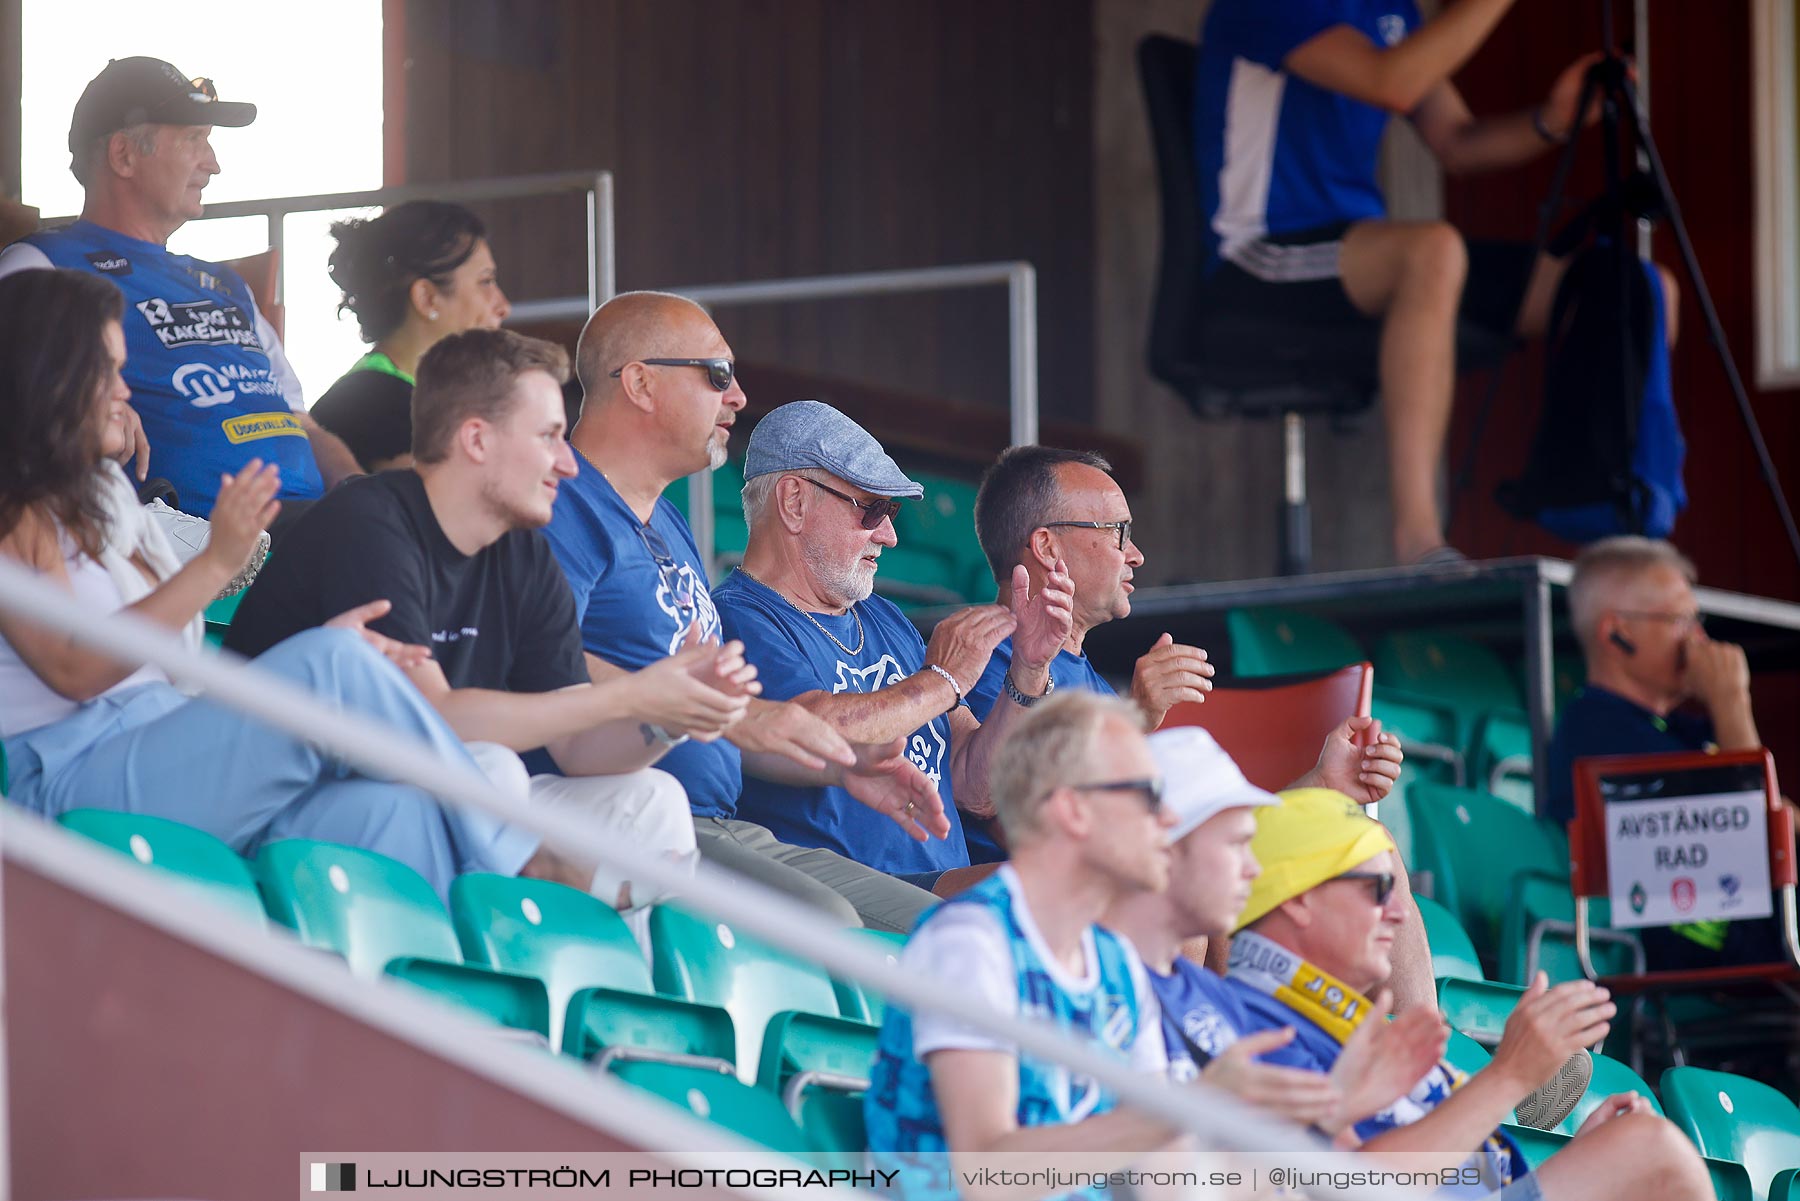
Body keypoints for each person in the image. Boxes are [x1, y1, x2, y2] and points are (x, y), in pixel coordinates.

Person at [0, 267, 644, 908]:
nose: (123, 389)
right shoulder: (9, 513)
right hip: (73, 785)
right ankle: (531, 860)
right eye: (106, 370)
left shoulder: (107, 499)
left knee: (405, 814)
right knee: (337, 663)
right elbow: (75, 667)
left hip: (172, 751)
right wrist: (216, 564)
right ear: (47, 377)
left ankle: (462, 997)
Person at [224, 328, 756, 927]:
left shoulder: (523, 554)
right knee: (493, 770)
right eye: (549, 437)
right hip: (290, 804)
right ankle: (507, 938)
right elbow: (435, 722)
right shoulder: (373, 520)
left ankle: (587, 1005)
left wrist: (667, 716)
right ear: (476, 439)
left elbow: (578, 747)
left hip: (424, 796)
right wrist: (635, 691)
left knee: (651, 799)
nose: (566, 461)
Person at [1191, 0, 1678, 565]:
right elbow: (1392, 82)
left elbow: (1457, 142)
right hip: (1257, 253)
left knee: (1638, 287)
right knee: (1432, 251)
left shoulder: (1391, 10)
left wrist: (1552, 118)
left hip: (1361, 251)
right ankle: (1419, 544)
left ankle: (1614, 525)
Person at [969, 444, 1437, 1015]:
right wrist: (1137, 718)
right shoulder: (986, 657)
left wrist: (1320, 785)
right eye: (1118, 532)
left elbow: (1197, 824)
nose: (1135, 555)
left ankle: (1427, 1055)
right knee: (1182, 878)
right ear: (1047, 546)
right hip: (1064, 907)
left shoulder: (1084, 675)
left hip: (1148, 884)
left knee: (1366, 844)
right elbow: (1022, 824)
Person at [543, 290, 948, 934]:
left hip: (722, 822)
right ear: (641, 383)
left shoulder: (669, 522)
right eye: (718, 375)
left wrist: (840, 767)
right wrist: (745, 713)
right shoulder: (561, 506)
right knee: (834, 926)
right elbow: (540, 660)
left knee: (943, 928)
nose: (737, 397)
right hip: (623, 815)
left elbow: (730, 727)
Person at [1223, 787, 1712, 1199]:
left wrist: (1575, 1157)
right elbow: (1353, 1184)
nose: (1398, 913)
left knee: (1641, 1156)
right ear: (1301, 901)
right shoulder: (1255, 1032)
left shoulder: (1339, 1024)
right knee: (1655, 1152)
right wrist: (1509, 1076)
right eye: (1376, 890)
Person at [715, 401, 1074, 891]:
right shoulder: (737, 617)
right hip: (848, 906)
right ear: (794, 502)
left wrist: (1029, 670)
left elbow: (975, 788)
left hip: (933, 887)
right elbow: (809, 730)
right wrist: (940, 681)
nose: (889, 534)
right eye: (872, 509)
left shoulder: (884, 617)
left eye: (892, 511)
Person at [0, 57, 357, 523]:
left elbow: (301, 421)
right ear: (124, 155)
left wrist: (359, 491)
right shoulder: (43, 266)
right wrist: (86, 412)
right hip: (197, 544)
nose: (214, 165)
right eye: (195, 140)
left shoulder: (229, 285)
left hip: (315, 528)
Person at [864, 691, 1177, 1201]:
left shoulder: (1117, 961)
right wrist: (1179, 1113)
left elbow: (1168, 1182)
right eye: (1150, 795)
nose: (1169, 819)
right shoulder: (968, 942)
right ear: (1073, 809)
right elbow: (988, 1178)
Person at [1105, 727, 1446, 1135]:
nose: (1251, 867)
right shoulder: (1091, 977)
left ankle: (1433, 1063)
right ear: (1164, 850)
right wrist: (1506, 1080)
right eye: (1235, 845)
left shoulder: (1211, 996)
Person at [1548, 535, 1784, 969]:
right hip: (1697, 960)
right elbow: (1759, 836)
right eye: (1680, 620)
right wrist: (1732, 703)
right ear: (1617, 632)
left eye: (1698, 619)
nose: (1699, 638)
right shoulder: (1599, 731)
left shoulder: (1672, 730)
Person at [311, 201, 512, 472]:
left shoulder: (415, 395)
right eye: (485, 282)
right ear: (426, 299)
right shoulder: (372, 404)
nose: (502, 306)